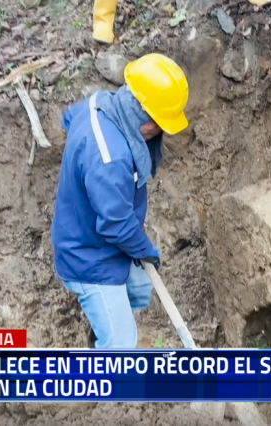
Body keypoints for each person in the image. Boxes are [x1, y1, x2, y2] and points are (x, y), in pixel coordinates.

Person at [51, 53, 189, 348]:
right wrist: (146, 251)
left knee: (140, 290)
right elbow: (117, 225)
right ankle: (101, 377)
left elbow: (68, 119)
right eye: (160, 123)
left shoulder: (101, 103)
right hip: (89, 258)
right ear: (145, 116)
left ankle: (103, 331)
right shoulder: (110, 159)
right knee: (122, 345)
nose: (162, 131)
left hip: (104, 242)